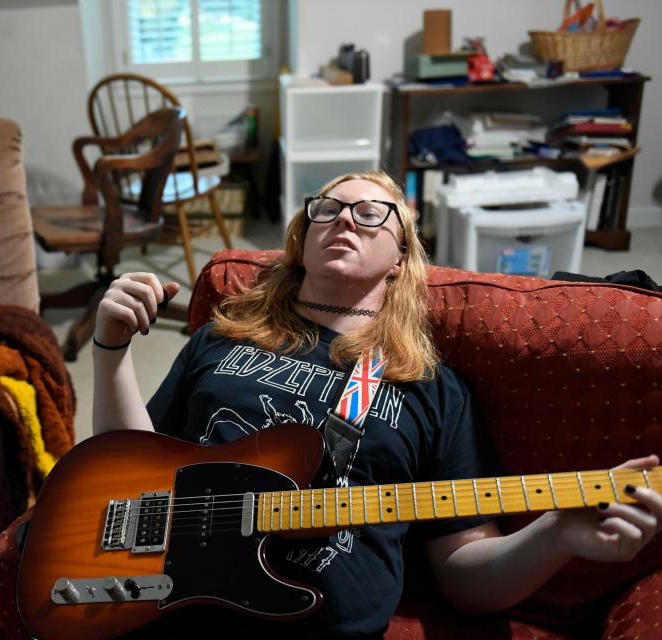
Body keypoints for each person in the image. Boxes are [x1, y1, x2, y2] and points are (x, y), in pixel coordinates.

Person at [91, 170, 661, 638]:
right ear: (301, 240)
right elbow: (124, 466)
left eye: (370, 213)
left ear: (400, 257)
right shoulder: (222, 335)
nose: (343, 217)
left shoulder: (434, 388)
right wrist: (110, 349)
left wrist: (555, 532)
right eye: (327, 207)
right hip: (161, 599)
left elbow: (467, 579)